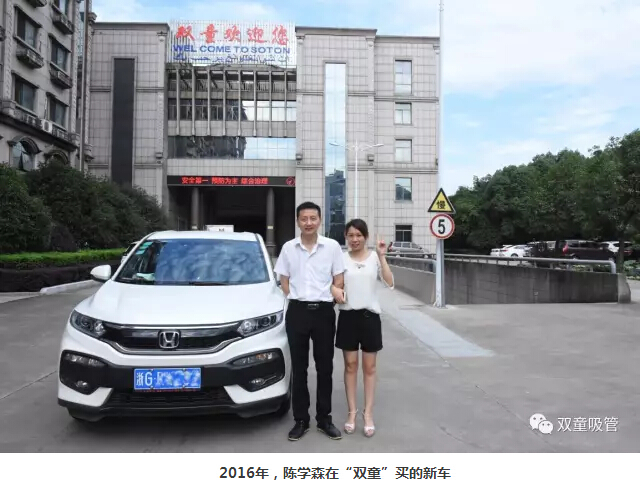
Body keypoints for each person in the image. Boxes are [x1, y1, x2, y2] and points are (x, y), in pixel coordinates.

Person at [274, 201, 346, 441]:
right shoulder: (288, 248)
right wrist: (296, 298)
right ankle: (301, 420)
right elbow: (284, 280)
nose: (308, 223)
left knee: (325, 368)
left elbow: (338, 279)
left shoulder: (332, 247)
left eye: (312, 218)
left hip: (324, 312)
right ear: (298, 221)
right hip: (297, 312)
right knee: (299, 367)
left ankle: (324, 419)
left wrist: (329, 299)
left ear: (319, 220)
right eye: (304, 219)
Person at [331, 219, 394, 438]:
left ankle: (368, 414)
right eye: (351, 235)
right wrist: (333, 290)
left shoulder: (375, 257)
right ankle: (352, 412)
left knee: (370, 368)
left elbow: (390, 283)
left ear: (365, 237)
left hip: (370, 318)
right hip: (348, 317)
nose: (355, 239)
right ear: (345, 237)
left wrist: (383, 256)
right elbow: (334, 285)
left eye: (359, 235)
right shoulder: (341, 258)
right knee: (350, 366)